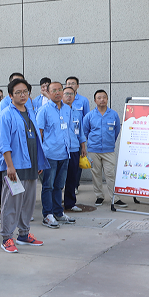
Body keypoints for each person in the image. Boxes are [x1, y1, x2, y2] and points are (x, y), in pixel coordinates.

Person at [0, 78, 47, 253]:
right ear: (10, 95)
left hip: (31, 165)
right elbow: (3, 143)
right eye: (18, 92)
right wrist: (9, 166)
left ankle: (24, 234)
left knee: (28, 202)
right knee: (11, 203)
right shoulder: (5, 115)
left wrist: (39, 161)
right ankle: (6, 238)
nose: (22, 95)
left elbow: (36, 139)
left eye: (25, 92)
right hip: (14, 167)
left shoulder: (31, 112)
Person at [36, 82, 75, 228]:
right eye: (54, 90)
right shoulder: (43, 110)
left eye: (60, 90)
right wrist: (40, 157)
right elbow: (39, 134)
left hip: (64, 153)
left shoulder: (67, 109)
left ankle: (58, 212)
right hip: (49, 155)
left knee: (59, 186)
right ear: (48, 92)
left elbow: (68, 130)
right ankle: (48, 215)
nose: (58, 93)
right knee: (48, 186)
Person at [83, 89, 122, 206]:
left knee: (110, 174)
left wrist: (110, 142)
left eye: (104, 97)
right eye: (99, 98)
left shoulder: (113, 114)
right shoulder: (89, 116)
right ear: (95, 100)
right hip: (93, 150)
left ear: (107, 99)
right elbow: (85, 132)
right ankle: (99, 196)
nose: (102, 100)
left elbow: (116, 131)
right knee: (96, 174)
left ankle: (115, 197)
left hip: (109, 150)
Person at [63, 77, 91, 212]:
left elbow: (80, 131)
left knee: (72, 177)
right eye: (66, 94)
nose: (69, 96)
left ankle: (70, 203)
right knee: (57, 180)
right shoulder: (58, 111)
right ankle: (54, 205)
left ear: (75, 96)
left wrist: (83, 146)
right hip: (60, 149)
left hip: (74, 148)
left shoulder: (77, 113)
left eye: (71, 94)